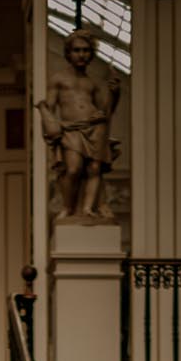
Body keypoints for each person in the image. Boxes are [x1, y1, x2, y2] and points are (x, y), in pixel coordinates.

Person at [37, 28, 123, 222]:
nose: (81, 55)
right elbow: (50, 106)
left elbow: (105, 111)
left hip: (94, 128)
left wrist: (115, 94)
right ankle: (68, 206)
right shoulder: (59, 79)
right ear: (68, 53)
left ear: (91, 54)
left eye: (85, 50)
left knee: (94, 169)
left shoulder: (92, 83)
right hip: (71, 129)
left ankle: (87, 209)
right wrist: (46, 115)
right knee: (73, 169)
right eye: (77, 50)